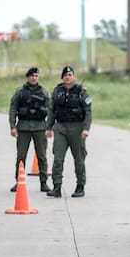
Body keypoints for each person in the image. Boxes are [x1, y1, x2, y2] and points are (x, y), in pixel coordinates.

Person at [45, 66, 92, 198]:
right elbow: (51, 110)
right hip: (60, 128)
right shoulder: (56, 91)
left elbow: (88, 112)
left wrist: (86, 129)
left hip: (77, 128)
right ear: (62, 77)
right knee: (58, 158)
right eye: (65, 75)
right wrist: (49, 128)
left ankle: (80, 186)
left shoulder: (81, 92)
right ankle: (57, 186)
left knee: (79, 159)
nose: (67, 77)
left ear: (74, 76)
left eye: (70, 74)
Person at [9, 67, 51, 193]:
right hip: (23, 127)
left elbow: (51, 110)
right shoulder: (20, 92)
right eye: (32, 75)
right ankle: (18, 182)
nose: (34, 78)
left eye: (36, 75)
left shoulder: (44, 92)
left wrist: (50, 127)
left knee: (42, 156)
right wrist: (12, 126)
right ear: (27, 77)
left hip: (40, 128)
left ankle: (43, 182)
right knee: (21, 156)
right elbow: (12, 109)